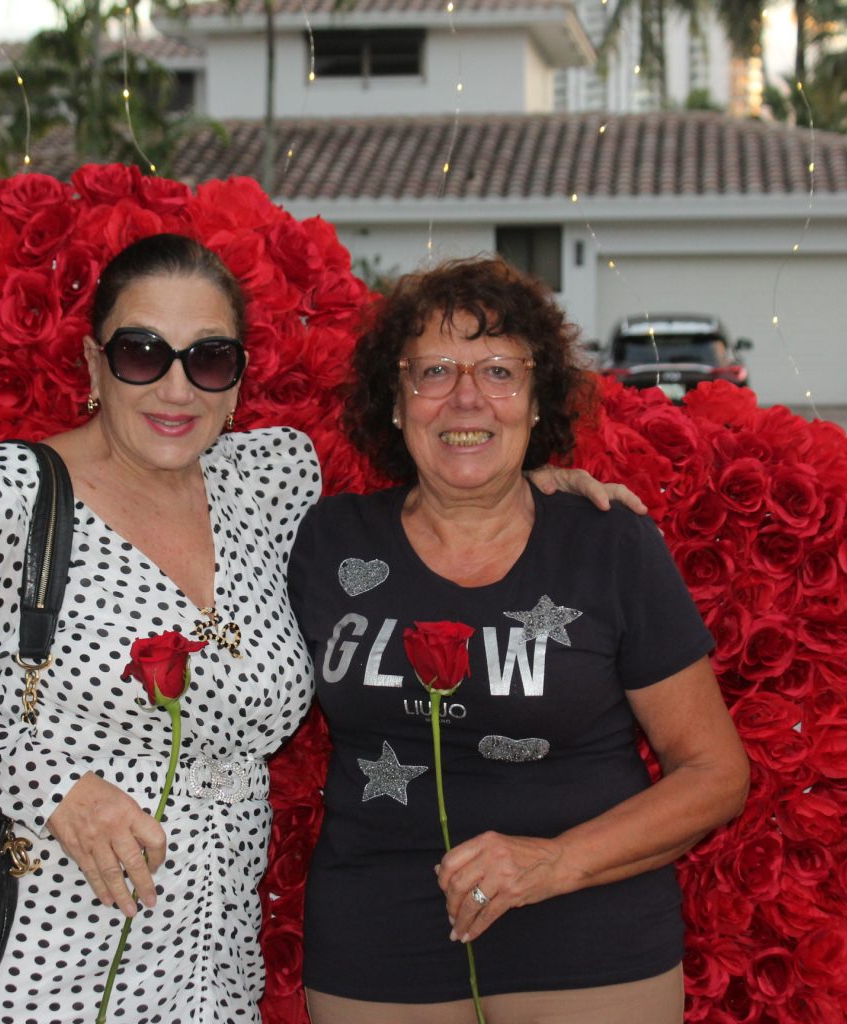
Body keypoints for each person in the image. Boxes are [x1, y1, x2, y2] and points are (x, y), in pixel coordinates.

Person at [0, 234, 636, 1024]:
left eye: (208, 359)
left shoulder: (262, 487)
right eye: (141, 353)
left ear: (236, 378)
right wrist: (62, 793)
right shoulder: (9, 505)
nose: (175, 388)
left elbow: (409, 524)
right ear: (95, 366)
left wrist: (508, 487)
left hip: (213, 964)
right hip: (45, 955)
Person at [287, 257, 750, 1024]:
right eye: (434, 370)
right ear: (395, 403)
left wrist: (556, 861)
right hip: (378, 943)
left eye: (499, 371)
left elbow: (715, 772)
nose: (466, 397)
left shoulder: (609, 545)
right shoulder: (327, 540)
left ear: (537, 404)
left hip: (589, 940)